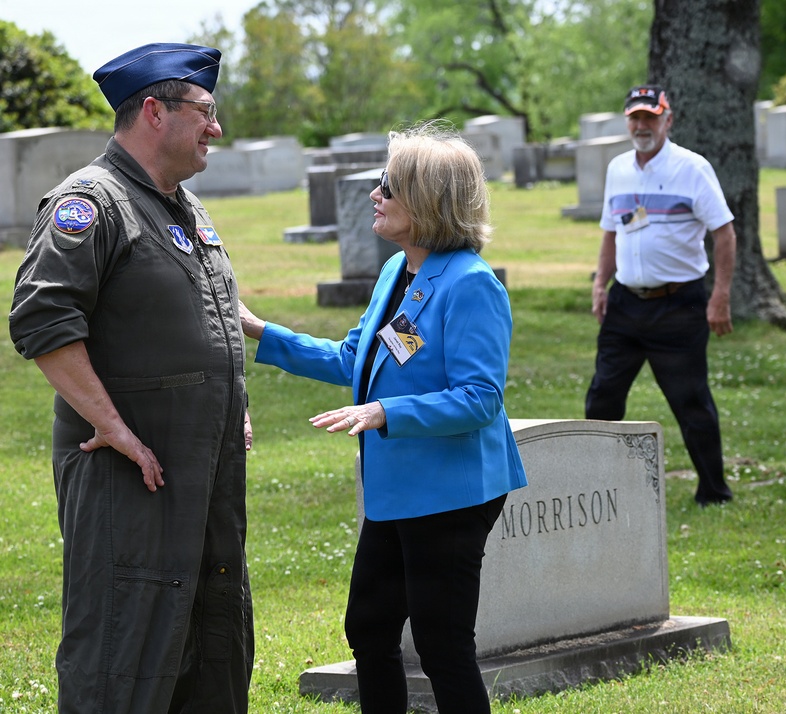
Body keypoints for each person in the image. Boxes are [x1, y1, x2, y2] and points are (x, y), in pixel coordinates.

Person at [239, 122, 527, 713]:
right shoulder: (399, 270)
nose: (374, 194)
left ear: (427, 200)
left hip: (452, 493)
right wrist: (259, 330)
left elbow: (480, 398)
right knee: (369, 628)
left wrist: (384, 411)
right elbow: (356, 359)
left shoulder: (471, 285)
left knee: (442, 645)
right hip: (397, 489)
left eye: (387, 186)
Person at [8, 43, 254, 713]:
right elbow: (42, 319)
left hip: (202, 479)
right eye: (205, 111)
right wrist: (111, 425)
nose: (216, 128)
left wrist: (233, 399)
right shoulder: (91, 202)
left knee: (210, 647)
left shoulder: (185, 206)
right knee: (121, 652)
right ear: (154, 111)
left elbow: (204, 314)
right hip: (131, 483)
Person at [586, 84, 737, 507]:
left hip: (679, 305)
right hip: (625, 303)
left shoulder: (693, 168)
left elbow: (725, 233)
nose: (641, 126)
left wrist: (720, 296)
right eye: (635, 117)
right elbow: (611, 232)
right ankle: (593, 483)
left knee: (691, 402)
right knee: (602, 396)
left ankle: (714, 492)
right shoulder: (618, 168)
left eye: (650, 118)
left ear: (667, 120)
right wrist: (600, 283)